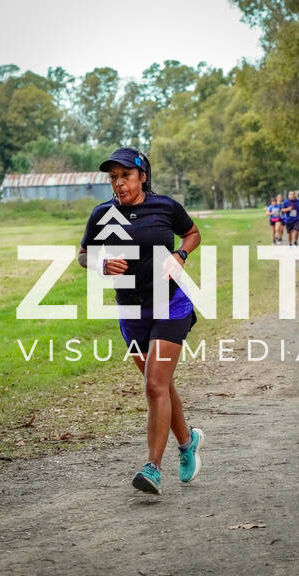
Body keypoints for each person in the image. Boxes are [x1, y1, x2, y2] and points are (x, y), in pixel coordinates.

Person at [77, 147, 204, 494]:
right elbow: (84, 255)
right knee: (159, 384)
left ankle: (153, 468)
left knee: (154, 385)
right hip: (131, 311)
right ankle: (187, 441)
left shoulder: (165, 207)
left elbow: (193, 233)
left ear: (142, 177)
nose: (119, 183)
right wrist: (101, 264)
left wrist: (180, 254)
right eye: (113, 177)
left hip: (170, 304)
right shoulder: (102, 214)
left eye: (126, 176)